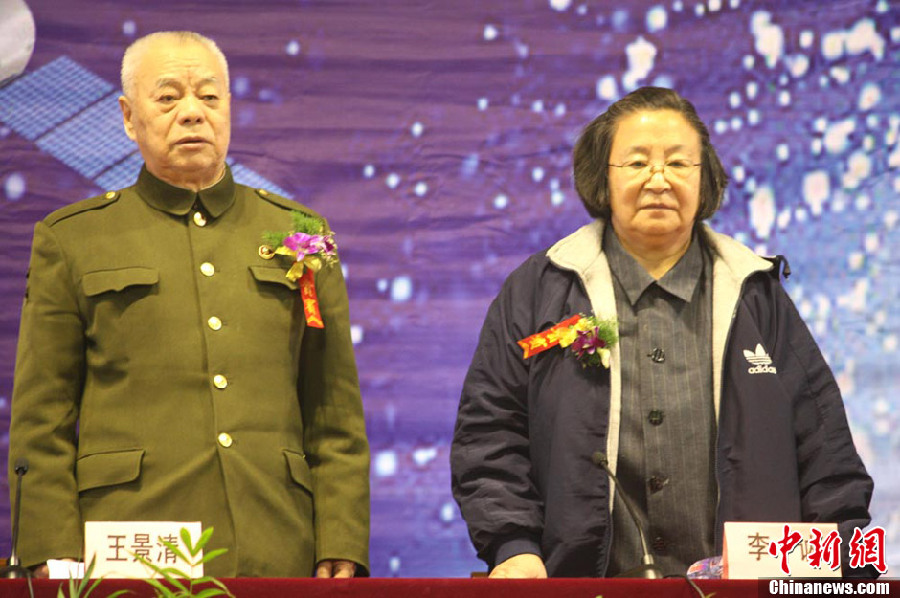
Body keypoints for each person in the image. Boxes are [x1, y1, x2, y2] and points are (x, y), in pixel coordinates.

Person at [450, 86, 874, 578]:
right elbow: (489, 434)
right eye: (635, 163)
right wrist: (513, 547)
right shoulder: (538, 290)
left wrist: (845, 568)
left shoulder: (756, 296)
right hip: (581, 584)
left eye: (678, 163)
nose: (658, 179)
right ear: (601, 179)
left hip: (742, 589)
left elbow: (825, 450)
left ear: (706, 179)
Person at [7, 31, 369, 578]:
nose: (192, 113)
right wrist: (51, 550)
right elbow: (43, 418)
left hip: (274, 539)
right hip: (129, 544)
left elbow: (333, 409)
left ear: (230, 109)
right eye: (169, 97)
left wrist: (340, 539)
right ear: (129, 118)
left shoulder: (300, 233)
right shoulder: (73, 239)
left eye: (209, 96)